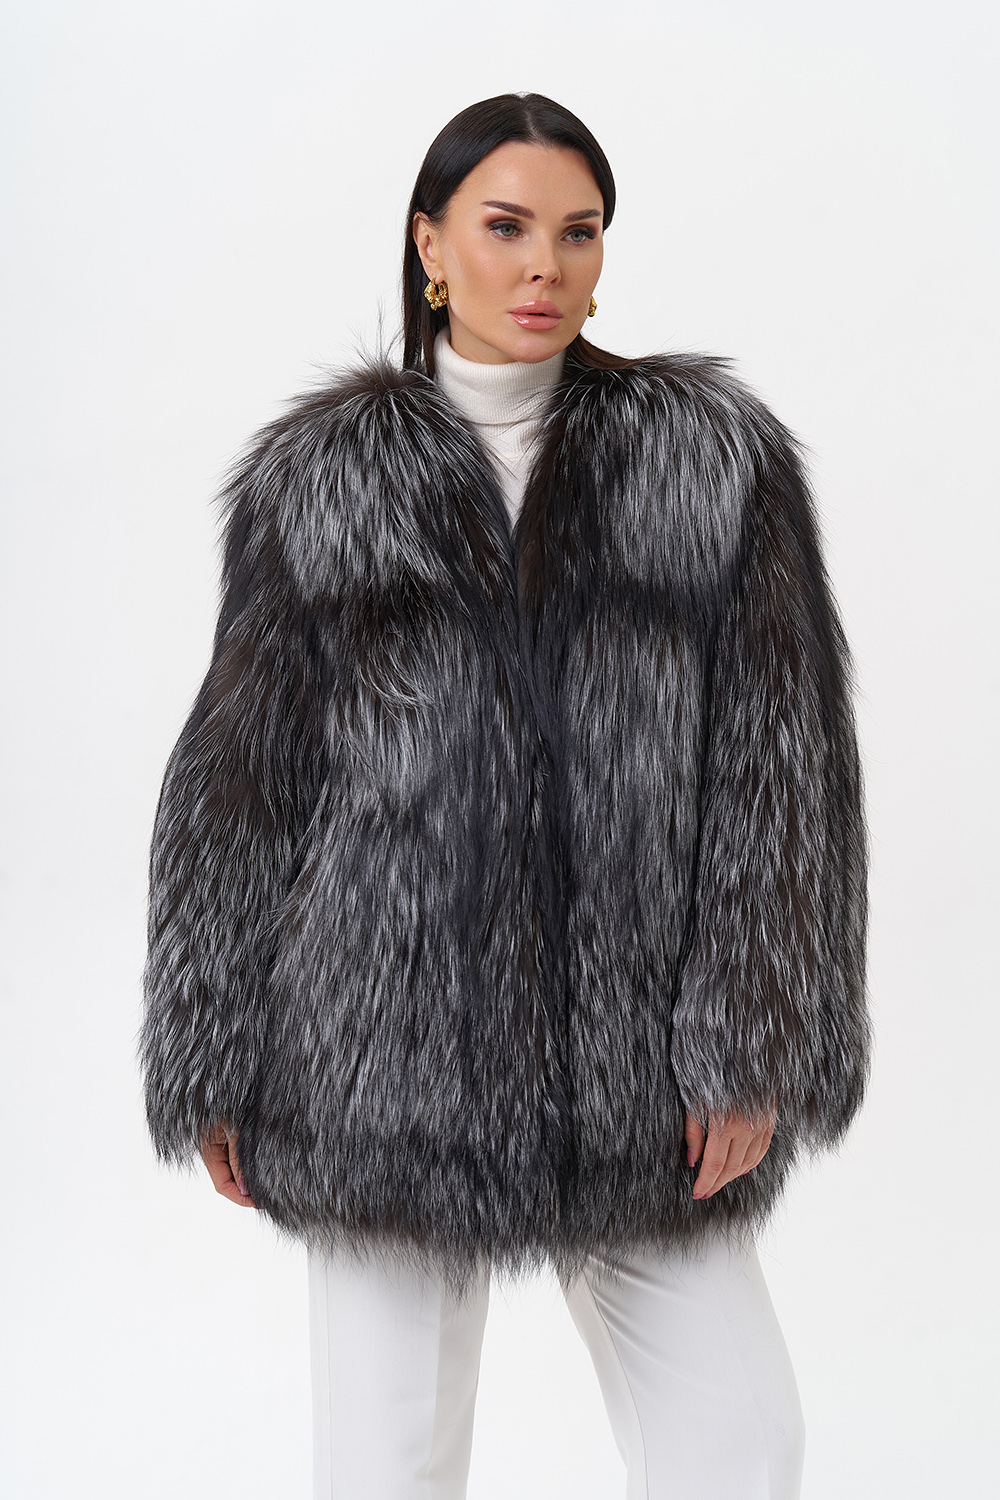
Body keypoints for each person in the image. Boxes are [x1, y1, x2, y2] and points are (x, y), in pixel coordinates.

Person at [139, 92, 871, 1500]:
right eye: (506, 226)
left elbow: (783, 767)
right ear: (431, 245)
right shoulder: (316, 483)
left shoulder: (712, 464)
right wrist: (211, 1046)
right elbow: (237, 779)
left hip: (641, 1062)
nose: (545, 265)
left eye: (578, 233)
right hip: (376, 1053)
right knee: (385, 1464)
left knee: (739, 1439)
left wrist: (750, 1033)